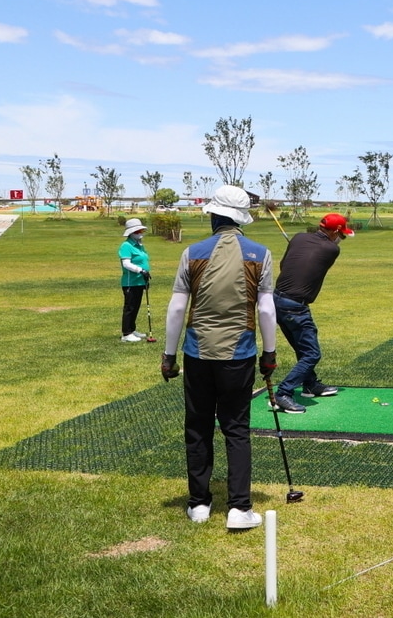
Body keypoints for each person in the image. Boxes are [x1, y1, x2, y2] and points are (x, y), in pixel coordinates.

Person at [160, 185, 276, 530]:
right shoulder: (261, 253)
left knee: (197, 427)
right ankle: (239, 508)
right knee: (236, 428)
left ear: (214, 215)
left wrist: (168, 356)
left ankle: (199, 504)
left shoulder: (192, 252)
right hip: (239, 355)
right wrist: (269, 354)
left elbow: (178, 306)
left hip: (197, 353)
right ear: (241, 219)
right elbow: (266, 310)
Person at [271, 212, 352, 414]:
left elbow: (284, 265)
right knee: (312, 353)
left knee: (302, 347)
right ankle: (283, 393)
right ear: (335, 232)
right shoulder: (332, 249)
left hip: (276, 300)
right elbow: (328, 248)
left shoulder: (298, 237)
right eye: (341, 235)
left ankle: (310, 384)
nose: (340, 238)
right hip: (295, 306)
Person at [119, 217, 151, 342]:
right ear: (131, 233)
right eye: (137, 232)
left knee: (136, 306)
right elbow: (126, 264)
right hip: (130, 282)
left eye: (141, 231)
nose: (140, 233)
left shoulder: (139, 246)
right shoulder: (126, 246)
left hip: (140, 281)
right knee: (130, 307)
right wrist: (140, 270)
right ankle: (126, 333)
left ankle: (132, 330)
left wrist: (145, 276)